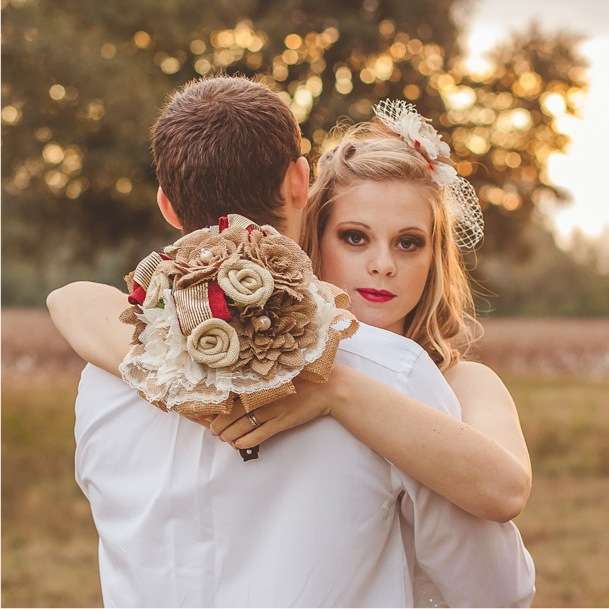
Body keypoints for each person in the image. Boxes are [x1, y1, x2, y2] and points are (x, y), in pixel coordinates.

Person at [47, 76, 535, 607]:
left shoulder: (105, 376)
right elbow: (494, 589)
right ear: (301, 184)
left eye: (409, 243)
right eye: (354, 236)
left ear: (166, 204)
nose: (381, 264)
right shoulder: (392, 373)